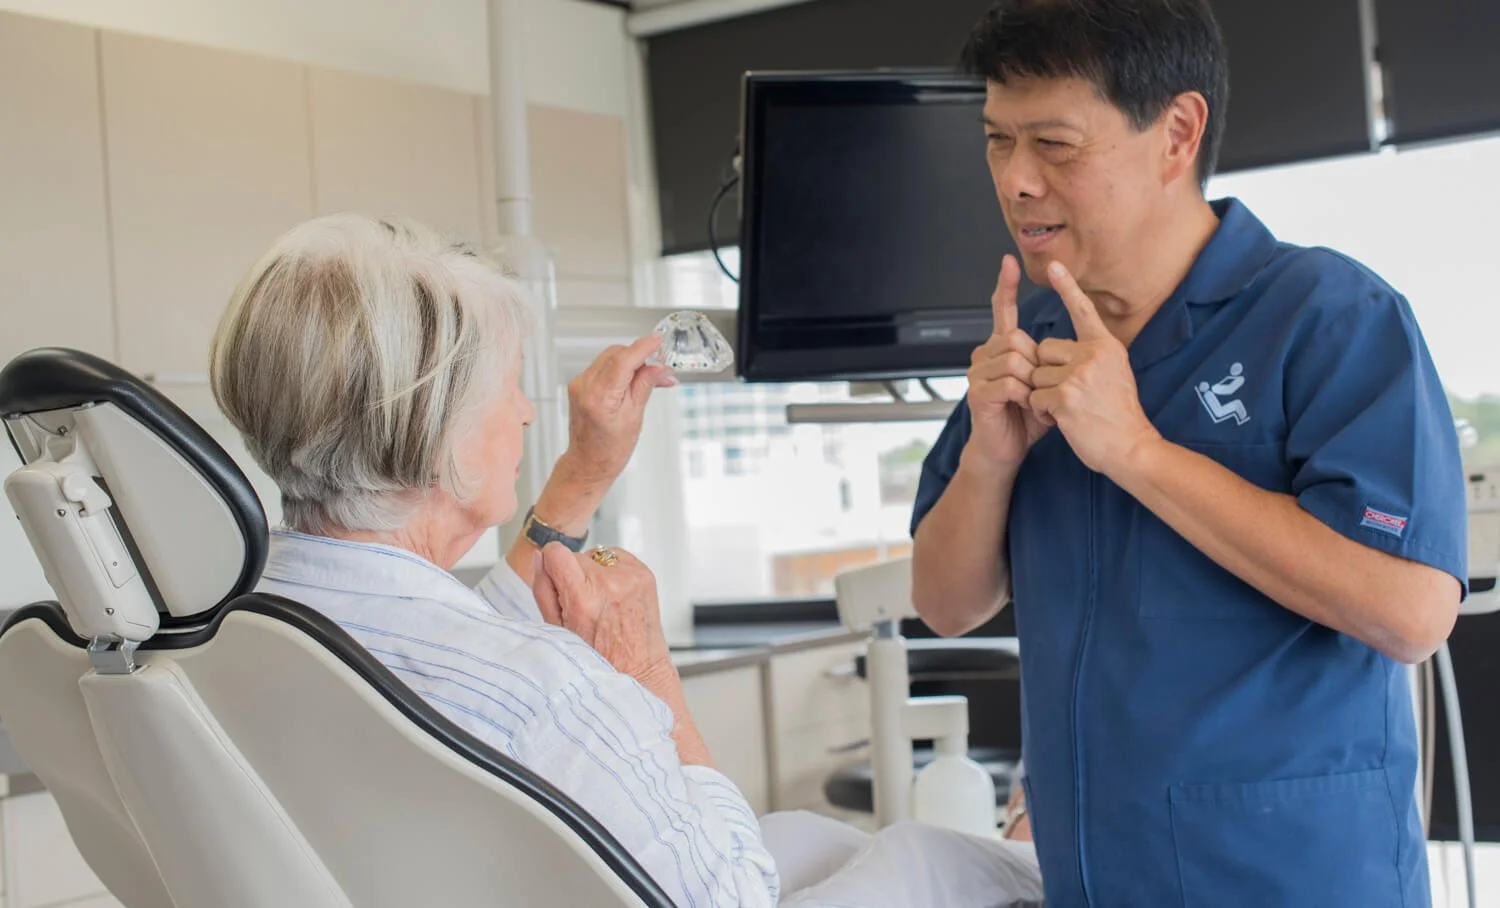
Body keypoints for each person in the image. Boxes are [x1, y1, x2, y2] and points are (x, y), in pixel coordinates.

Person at [210, 213, 1046, 908]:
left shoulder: (259, 621)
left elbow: (462, 656)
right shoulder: (551, 689)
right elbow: (732, 898)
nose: (525, 418)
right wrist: (645, 665)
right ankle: (1027, 849)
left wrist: (587, 472)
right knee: (930, 861)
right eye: (509, 390)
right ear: (441, 440)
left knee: (806, 836)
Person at [910, 2, 1467, 906]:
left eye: (1054, 143)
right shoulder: (1031, 338)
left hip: (1294, 882)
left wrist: (1137, 451)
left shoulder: (1329, 316)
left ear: (1176, 133)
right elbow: (942, 604)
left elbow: (1410, 611)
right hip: (1093, 881)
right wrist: (991, 459)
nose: (1015, 180)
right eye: (996, 140)